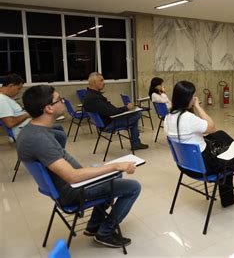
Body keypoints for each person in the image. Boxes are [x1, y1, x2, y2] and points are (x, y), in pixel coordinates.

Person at [16, 85, 141, 248]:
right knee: (133, 187)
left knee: (114, 176)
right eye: (59, 99)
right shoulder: (40, 139)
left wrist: (107, 169)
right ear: (48, 108)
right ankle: (105, 232)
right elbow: (73, 176)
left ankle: (93, 226)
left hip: (64, 185)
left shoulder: (31, 130)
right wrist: (116, 166)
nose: (63, 101)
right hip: (72, 189)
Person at [164, 81, 234, 207]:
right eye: (193, 96)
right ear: (187, 98)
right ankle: (230, 196)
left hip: (185, 164)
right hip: (204, 166)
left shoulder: (168, 118)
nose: (194, 98)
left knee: (220, 135)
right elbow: (211, 127)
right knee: (230, 155)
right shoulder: (188, 118)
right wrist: (198, 107)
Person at [83, 72, 148, 150]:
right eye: (101, 81)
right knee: (137, 114)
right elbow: (111, 112)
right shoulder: (93, 97)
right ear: (94, 82)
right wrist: (126, 108)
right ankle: (135, 143)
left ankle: (136, 143)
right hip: (109, 124)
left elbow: (110, 110)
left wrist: (124, 109)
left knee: (134, 115)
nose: (104, 83)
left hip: (106, 121)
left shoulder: (91, 94)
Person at [0, 74, 31, 138]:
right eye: (18, 89)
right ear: (10, 86)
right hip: (22, 133)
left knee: (55, 128)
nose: (19, 91)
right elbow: (10, 123)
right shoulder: (1, 99)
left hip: (28, 128)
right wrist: (28, 114)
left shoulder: (6, 98)